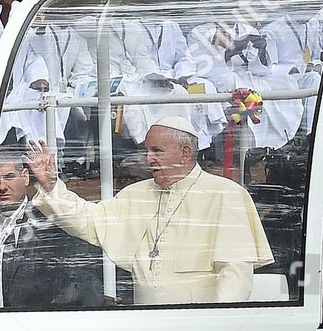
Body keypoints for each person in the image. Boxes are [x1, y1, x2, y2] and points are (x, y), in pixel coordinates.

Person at [25, 117, 274, 303]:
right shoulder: (136, 194)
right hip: (144, 330)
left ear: (185, 153)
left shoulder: (225, 195)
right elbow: (88, 221)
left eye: (157, 151)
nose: (148, 159)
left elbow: (235, 278)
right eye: (147, 151)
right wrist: (52, 186)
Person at [0, 147, 100, 309]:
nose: (2, 187)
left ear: (25, 178)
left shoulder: (50, 225)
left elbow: (81, 280)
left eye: (9, 177)